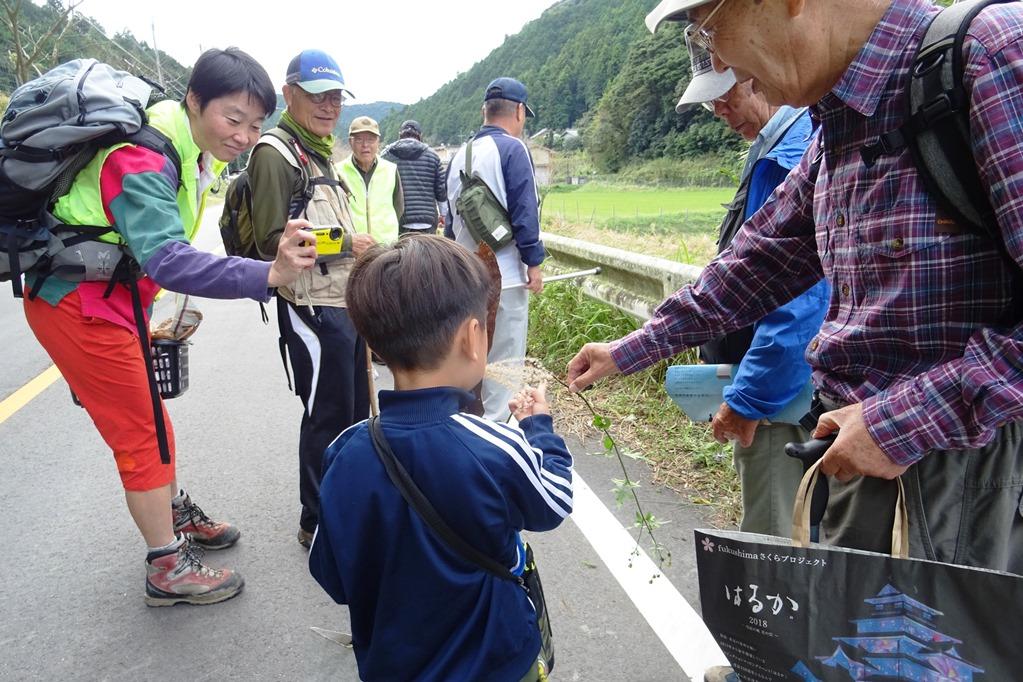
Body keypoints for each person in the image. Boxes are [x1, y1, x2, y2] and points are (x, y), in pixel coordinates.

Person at [572, 0, 1023, 573]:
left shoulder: (989, 60)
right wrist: (631, 348)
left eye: (710, 31)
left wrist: (898, 423)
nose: (719, 62)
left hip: (969, 471)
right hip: (861, 453)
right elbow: (758, 263)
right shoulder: (838, 124)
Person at [22, 47, 317, 606]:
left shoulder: (188, 151)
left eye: (256, 124)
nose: (244, 135)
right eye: (232, 118)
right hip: (78, 308)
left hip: (110, 300)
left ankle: (172, 509)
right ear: (194, 100)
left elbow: (134, 249)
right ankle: (165, 565)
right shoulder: (140, 157)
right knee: (140, 433)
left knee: (153, 421)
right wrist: (269, 273)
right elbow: (170, 258)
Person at [309, 234, 573, 681]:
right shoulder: (494, 447)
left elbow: (331, 574)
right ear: (473, 337)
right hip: (498, 664)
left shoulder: (345, 452)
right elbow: (554, 503)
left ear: (374, 345)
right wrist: (539, 428)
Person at [680, 30, 825, 537]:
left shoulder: (791, 153)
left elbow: (797, 300)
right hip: (790, 390)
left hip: (784, 398)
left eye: (726, 91)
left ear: (755, 70)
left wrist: (751, 396)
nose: (719, 110)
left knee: (774, 544)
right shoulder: (777, 143)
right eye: (710, 103)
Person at [242, 48, 373, 548]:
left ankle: (346, 508)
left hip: (341, 304)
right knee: (326, 413)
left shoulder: (315, 150)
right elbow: (269, 243)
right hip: (310, 309)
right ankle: (315, 521)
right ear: (289, 94)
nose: (329, 105)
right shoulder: (275, 154)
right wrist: (347, 243)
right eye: (318, 95)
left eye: (336, 96)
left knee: (354, 412)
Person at [446, 77, 545, 421]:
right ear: (519, 111)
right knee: (505, 364)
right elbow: (525, 211)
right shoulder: (513, 149)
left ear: (483, 111)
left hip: (465, 276)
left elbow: (448, 222)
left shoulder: (459, 154)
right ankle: (500, 434)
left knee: (471, 357)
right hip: (507, 276)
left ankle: (469, 428)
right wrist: (534, 262)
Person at [338, 116, 403, 243]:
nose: (365, 145)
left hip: (385, 248)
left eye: (371, 140)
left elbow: (398, 208)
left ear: (378, 142)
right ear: (350, 142)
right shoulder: (338, 171)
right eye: (359, 140)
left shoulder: (390, 169)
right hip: (353, 249)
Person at [382, 119, 447, 235]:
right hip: (427, 220)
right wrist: (443, 214)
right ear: (420, 135)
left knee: (402, 253)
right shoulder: (432, 156)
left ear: (400, 135)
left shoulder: (386, 155)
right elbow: (441, 190)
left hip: (398, 220)